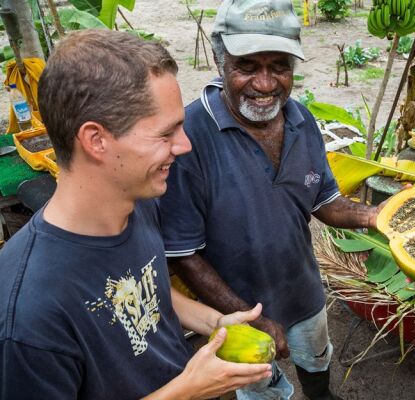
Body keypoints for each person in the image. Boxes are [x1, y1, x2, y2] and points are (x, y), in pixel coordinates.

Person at [0, 29, 272, 399]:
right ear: (96, 140)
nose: (185, 144)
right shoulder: (27, 315)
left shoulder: (137, 203)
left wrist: (215, 322)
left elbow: (143, 288)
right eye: (166, 133)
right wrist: (186, 390)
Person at [157, 1, 381, 399]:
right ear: (219, 59)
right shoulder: (190, 138)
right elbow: (183, 254)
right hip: (238, 309)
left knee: (316, 358)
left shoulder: (300, 118)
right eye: (247, 66)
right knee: (259, 386)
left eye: (279, 66)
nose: (265, 84)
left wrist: (377, 216)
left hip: (303, 289)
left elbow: (322, 202)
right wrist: (248, 318)